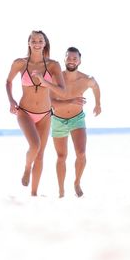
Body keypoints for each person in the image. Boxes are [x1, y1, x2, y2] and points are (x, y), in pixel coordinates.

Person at [6, 30, 66, 196]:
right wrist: (11, 100)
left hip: (45, 114)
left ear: (45, 43)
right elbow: (8, 81)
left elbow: (62, 91)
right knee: (35, 145)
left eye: (40, 40)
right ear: (29, 43)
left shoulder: (53, 65)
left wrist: (44, 81)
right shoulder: (20, 63)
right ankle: (26, 168)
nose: (37, 43)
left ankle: (33, 193)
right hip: (24, 112)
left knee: (40, 155)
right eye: (34, 40)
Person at [51, 46, 101, 198]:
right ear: (64, 59)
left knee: (81, 153)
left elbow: (96, 86)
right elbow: (51, 102)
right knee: (61, 157)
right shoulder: (55, 78)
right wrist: (71, 101)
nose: (71, 61)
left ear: (79, 60)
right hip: (58, 119)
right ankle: (61, 190)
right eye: (69, 57)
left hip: (77, 119)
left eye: (75, 58)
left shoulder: (86, 79)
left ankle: (77, 182)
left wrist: (98, 103)